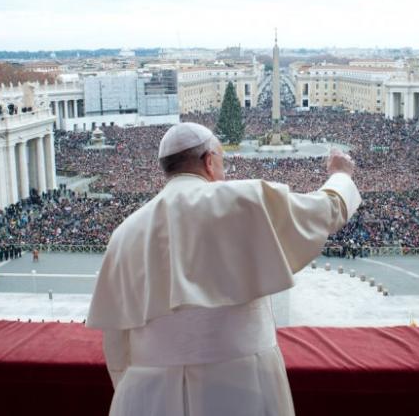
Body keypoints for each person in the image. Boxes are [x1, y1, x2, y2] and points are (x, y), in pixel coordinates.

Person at [86, 122, 361, 416]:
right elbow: (326, 210)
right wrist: (341, 175)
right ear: (209, 161)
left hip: (149, 392)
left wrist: (135, 389)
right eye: (222, 162)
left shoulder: (125, 233)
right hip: (243, 385)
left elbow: (115, 338)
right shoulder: (244, 200)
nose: (224, 171)